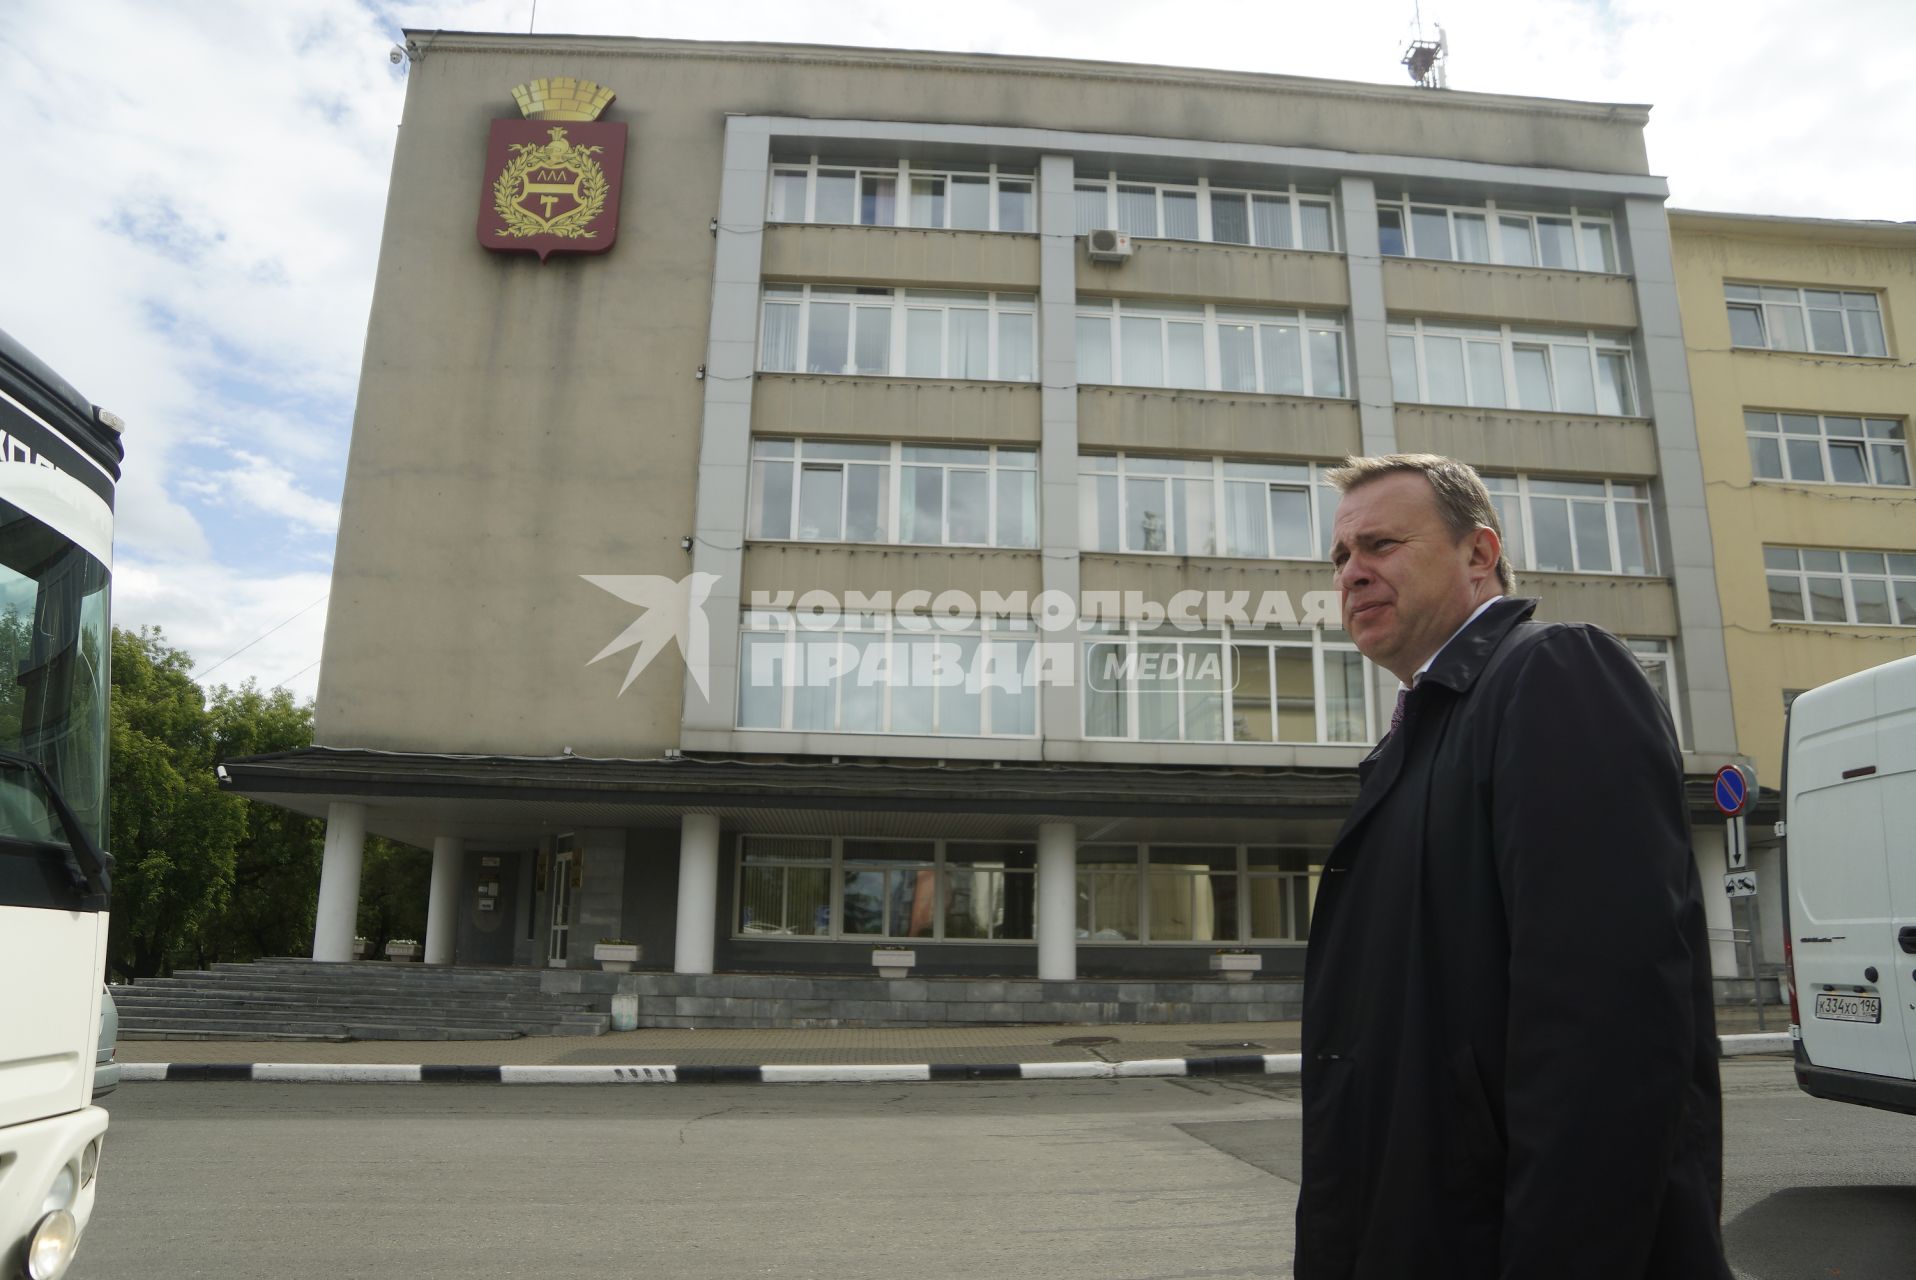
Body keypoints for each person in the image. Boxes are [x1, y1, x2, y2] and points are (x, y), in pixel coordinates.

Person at [1295, 453, 1732, 1279]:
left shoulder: (1552, 674)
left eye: (1381, 544)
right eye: (1341, 558)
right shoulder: (1422, 735)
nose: (1352, 574)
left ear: (1479, 554)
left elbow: (1606, 1039)